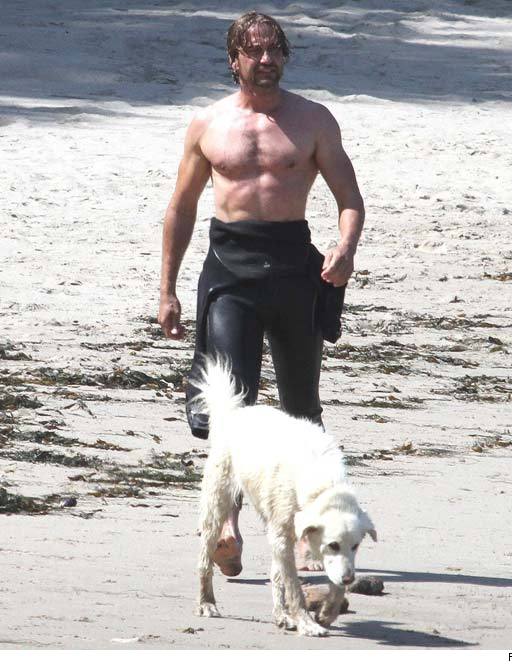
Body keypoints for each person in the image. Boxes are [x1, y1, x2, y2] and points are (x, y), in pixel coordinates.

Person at [158, 12, 364, 577]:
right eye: (254, 51)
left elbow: (349, 197)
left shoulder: (313, 120)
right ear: (234, 60)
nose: (266, 59)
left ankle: (309, 529)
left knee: (302, 408)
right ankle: (227, 525)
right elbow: (181, 208)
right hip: (230, 272)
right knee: (231, 407)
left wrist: (345, 248)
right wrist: (168, 289)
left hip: (296, 270)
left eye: (275, 50)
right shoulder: (208, 124)